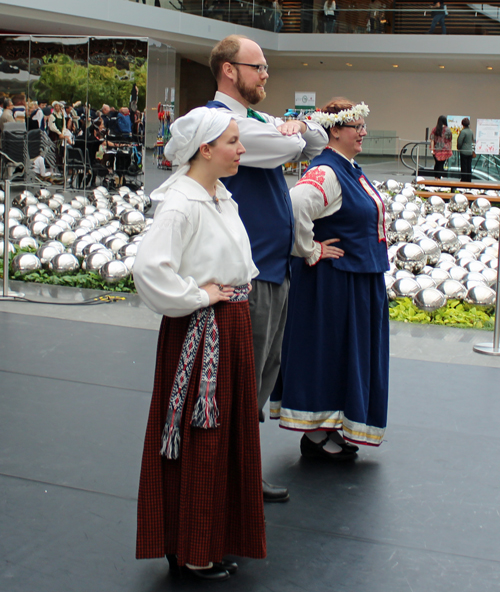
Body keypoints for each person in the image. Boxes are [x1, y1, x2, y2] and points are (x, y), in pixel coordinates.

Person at [134, 107, 266, 581]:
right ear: (205, 149)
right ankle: (191, 547)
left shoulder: (216, 197)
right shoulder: (183, 203)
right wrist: (196, 297)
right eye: (234, 141)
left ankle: (204, 539)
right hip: (202, 329)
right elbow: (149, 268)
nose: (242, 149)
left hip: (225, 325)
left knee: (220, 437)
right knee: (202, 439)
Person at [207, 34, 328, 502]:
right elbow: (284, 148)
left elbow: (311, 140)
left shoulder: (254, 120)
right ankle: (227, 476)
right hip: (246, 276)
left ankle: (241, 472)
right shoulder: (220, 121)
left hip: (274, 271)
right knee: (242, 378)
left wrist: (290, 131)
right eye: (257, 67)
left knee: (262, 376)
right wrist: (291, 132)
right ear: (229, 70)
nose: (265, 75)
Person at [270, 97, 390, 460]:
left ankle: (331, 426)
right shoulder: (328, 171)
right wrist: (311, 249)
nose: (363, 133)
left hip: (354, 279)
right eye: (357, 127)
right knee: (329, 352)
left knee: (343, 354)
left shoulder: (346, 167)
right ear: (335, 131)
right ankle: (318, 434)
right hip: (334, 284)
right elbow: (295, 204)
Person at [430, 114, 452, 179]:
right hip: (445, 150)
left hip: (436, 149)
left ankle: (436, 177)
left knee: (437, 163)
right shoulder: (448, 130)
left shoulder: (435, 129)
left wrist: (432, 149)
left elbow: (432, 140)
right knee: (441, 164)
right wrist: (450, 149)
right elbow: (449, 140)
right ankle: (439, 177)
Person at [457, 117, 474, 183]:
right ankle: (469, 179)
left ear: (462, 124)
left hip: (464, 151)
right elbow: (472, 139)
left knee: (464, 166)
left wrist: (459, 147)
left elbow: (460, 141)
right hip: (470, 151)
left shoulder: (463, 132)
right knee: (469, 166)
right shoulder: (471, 131)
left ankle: (464, 179)